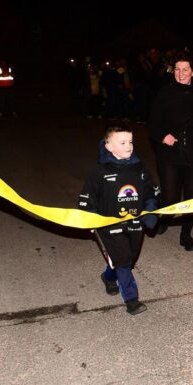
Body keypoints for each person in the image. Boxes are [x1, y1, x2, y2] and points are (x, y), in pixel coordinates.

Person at [79, 124, 158, 315]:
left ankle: (108, 276)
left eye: (130, 142)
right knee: (123, 261)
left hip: (134, 224)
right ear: (108, 146)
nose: (129, 146)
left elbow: (151, 193)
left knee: (127, 259)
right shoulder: (100, 172)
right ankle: (132, 300)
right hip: (110, 226)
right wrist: (89, 220)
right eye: (122, 142)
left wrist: (151, 211)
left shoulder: (140, 168)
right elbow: (87, 199)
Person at [148, 53, 193, 251]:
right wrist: (163, 136)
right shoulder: (164, 94)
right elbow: (152, 123)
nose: (181, 73)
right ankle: (165, 217)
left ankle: (186, 234)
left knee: (192, 199)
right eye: (177, 69)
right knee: (170, 197)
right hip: (170, 154)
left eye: (185, 69)